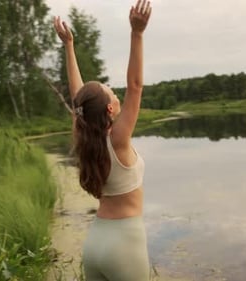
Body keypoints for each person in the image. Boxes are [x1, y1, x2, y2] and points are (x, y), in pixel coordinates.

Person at [53, 1, 152, 280]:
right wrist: (137, 33)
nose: (118, 95)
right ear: (110, 109)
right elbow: (135, 86)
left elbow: (78, 96)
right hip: (125, 245)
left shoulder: (85, 137)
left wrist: (69, 45)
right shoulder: (118, 140)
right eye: (112, 93)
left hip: (95, 243)